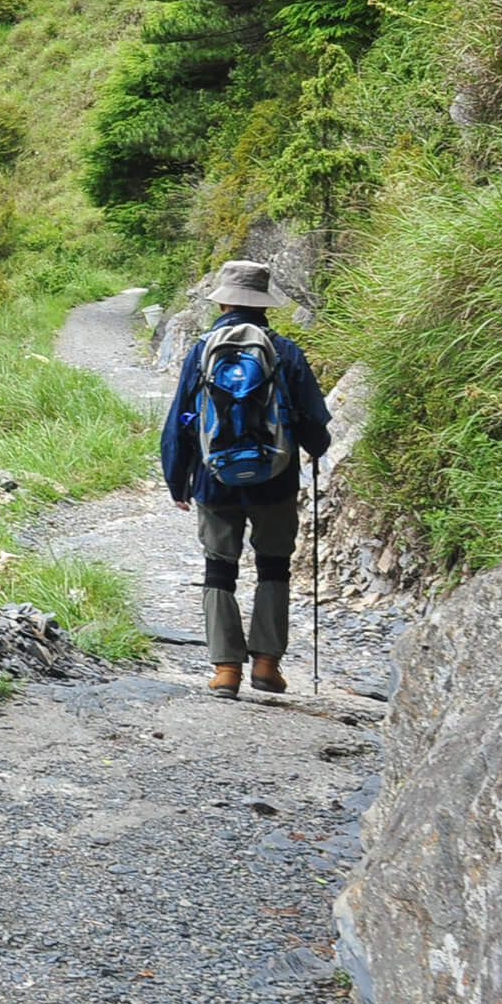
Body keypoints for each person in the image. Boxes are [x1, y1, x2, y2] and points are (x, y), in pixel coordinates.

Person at [161, 261, 333, 697]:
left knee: (219, 568)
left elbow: (179, 422)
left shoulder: (202, 350)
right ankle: (265, 665)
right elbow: (316, 428)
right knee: (273, 566)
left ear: (222, 300)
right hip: (274, 480)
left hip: (215, 479)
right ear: (263, 303)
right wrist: (313, 446)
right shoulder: (286, 351)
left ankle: (225, 671)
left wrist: (178, 480)